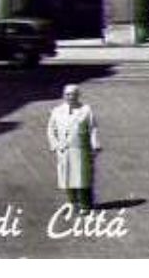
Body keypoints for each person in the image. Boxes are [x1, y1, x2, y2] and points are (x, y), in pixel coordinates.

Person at [47, 84, 102, 212]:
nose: (70, 97)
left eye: (73, 94)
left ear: (78, 95)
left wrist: (95, 143)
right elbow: (51, 129)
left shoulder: (86, 110)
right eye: (67, 94)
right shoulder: (57, 111)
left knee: (83, 178)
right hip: (64, 149)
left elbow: (92, 128)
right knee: (67, 178)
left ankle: (85, 205)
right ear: (63, 95)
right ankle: (72, 203)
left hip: (81, 149)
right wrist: (54, 144)